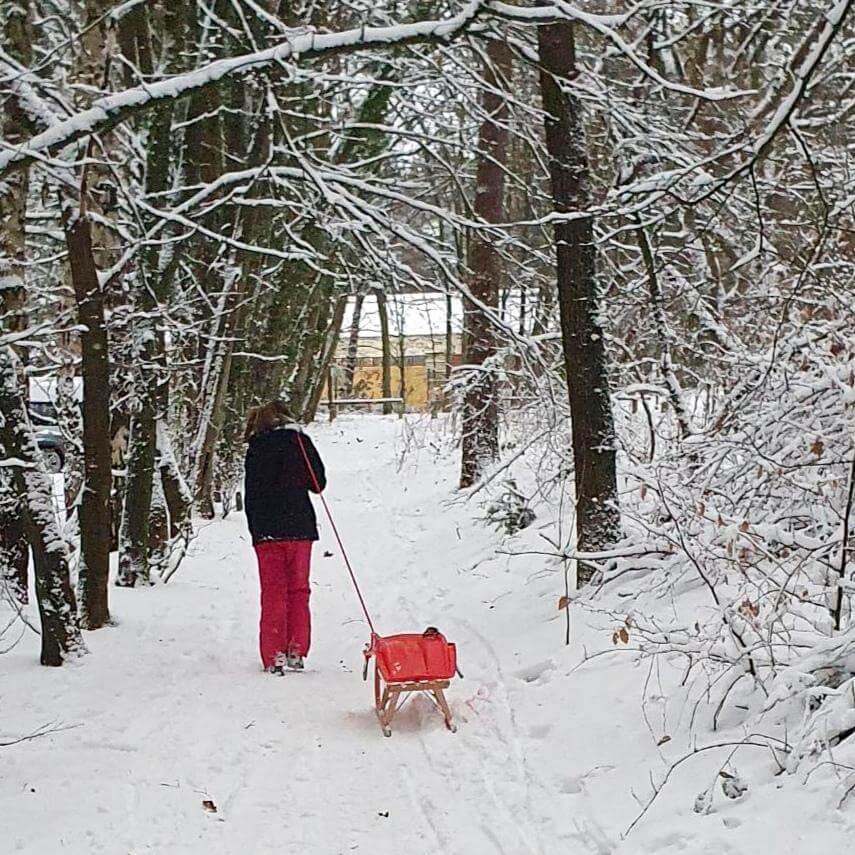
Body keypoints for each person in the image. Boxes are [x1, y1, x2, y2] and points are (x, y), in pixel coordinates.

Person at [243, 400, 326, 674]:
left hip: (267, 531)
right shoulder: (299, 442)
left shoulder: (256, 448)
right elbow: (318, 484)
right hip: (300, 527)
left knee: (273, 592)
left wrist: (255, 529)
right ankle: (296, 649)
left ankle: (273, 655)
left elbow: (251, 495)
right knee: (299, 591)